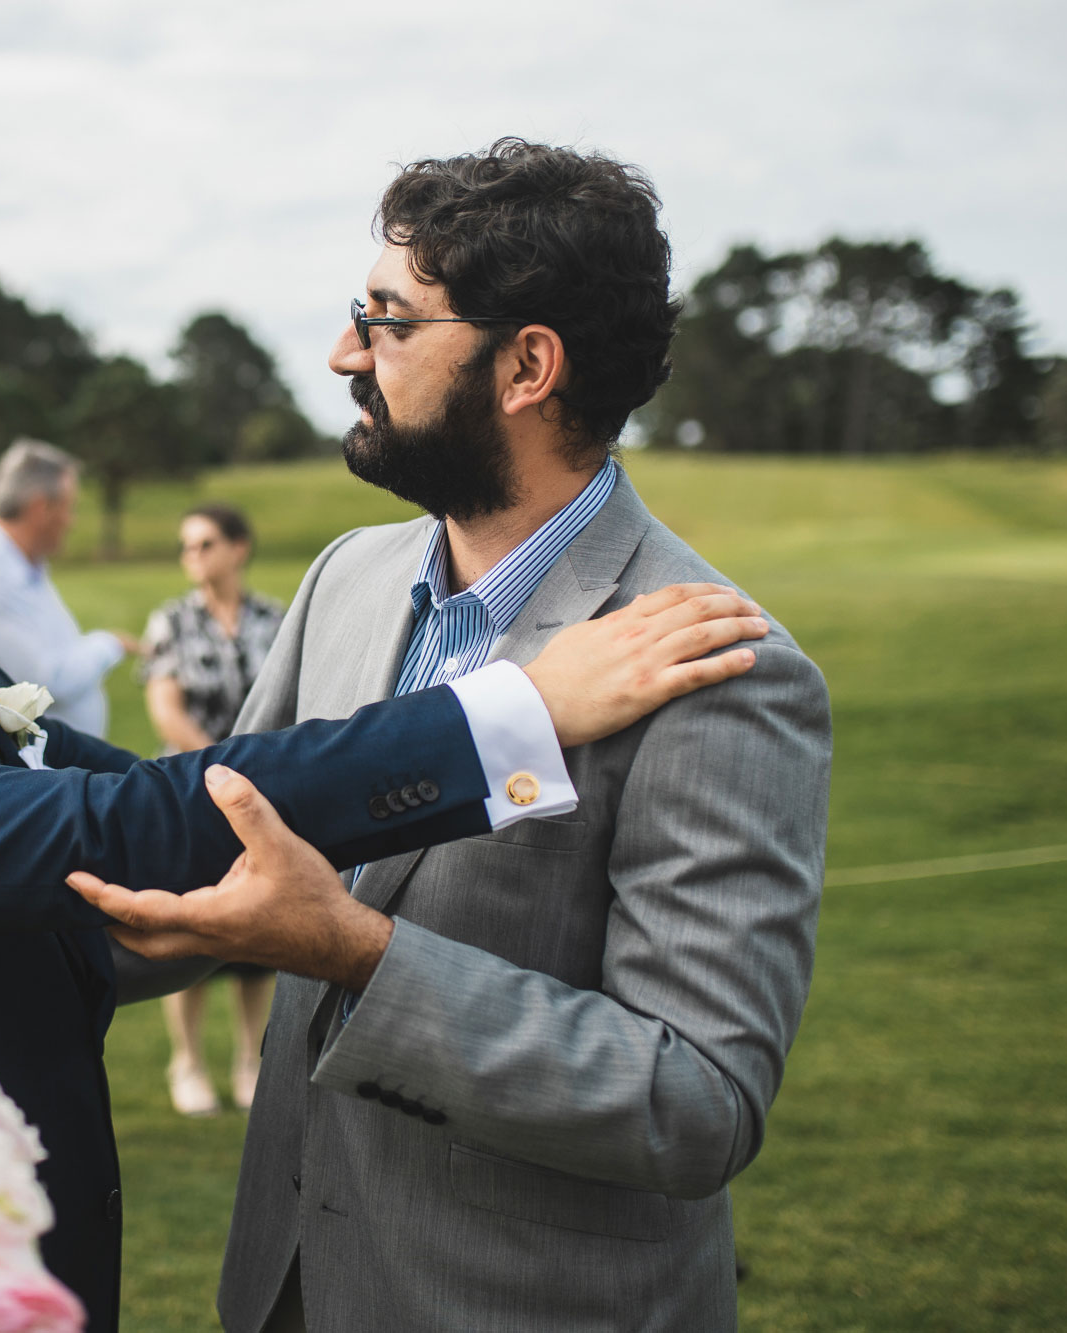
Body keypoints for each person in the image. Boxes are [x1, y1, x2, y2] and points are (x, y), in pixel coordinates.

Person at [0, 315, 770, 1332]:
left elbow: (184, 847)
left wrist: (270, 922)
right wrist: (514, 714)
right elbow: (138, 817)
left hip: (37, 1272)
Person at [69, 140, 833, 1332]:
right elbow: (208, 862)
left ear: (526, 364)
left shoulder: (719, 669)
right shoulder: (346, 578)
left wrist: (360, 955)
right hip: (282, 1288)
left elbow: (693, 1100)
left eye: (384, 321)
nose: (342, 355)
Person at [140, 504, 285, 1115]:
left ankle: (250, 1061)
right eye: (186, 546)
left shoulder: (275, 620)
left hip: (260, 801)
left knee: (257, 933)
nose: (192, 557)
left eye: (204, 544)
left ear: (238, 548)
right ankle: (188, 1061)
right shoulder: (170, 621)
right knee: (193, 928)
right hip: (190, 795)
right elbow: (166, 709)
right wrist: (222, 765)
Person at [0, 438, 136, 736]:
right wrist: (111, 643)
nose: (72, 521)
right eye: (70, 507)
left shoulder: (24, 562)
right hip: (42, 769)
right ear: (42, 508)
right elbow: (46, 682)